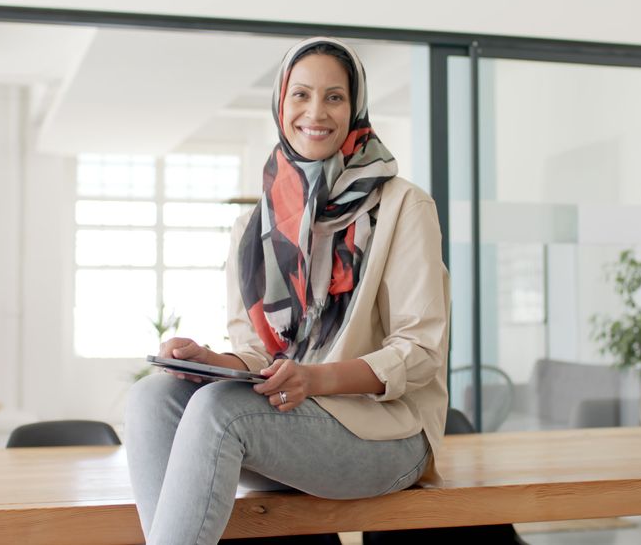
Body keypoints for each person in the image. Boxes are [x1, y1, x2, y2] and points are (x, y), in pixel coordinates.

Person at [125, 36, 450, 544]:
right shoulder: (253, 226)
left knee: (217, 413)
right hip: (291, 422)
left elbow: (420, 352)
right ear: (281, 104)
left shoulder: (403, 206)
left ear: (356, 106)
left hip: (387, 434)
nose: (315, 112)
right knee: (152, 396)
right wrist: (211, 360)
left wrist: (314, 379)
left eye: (334, 97)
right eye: (300, 95)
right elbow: (259, 356)